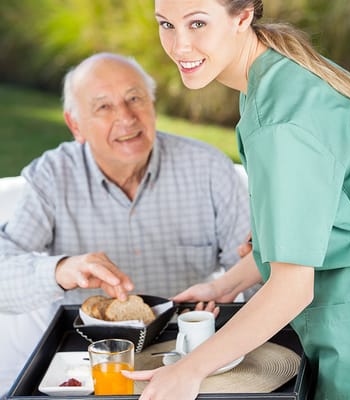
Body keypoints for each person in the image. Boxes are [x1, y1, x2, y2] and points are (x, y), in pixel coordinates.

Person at [124, 1, 350, 399]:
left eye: (197, 23)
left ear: (243, 17)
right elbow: (322, 222)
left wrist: (189, 370)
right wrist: (225, 285)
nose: (180, 45)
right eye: (167, 24)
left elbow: (292, 288)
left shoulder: (279, 121)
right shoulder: (278, 76)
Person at [0, 52, 251, 396]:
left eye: (135, 99)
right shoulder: (52, 177)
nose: (126, 118)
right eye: (103, 107)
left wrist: (228, 300)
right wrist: (61, 269)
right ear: (76, 125)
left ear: (152, 105)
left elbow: (255, 266)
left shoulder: (209, 168)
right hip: (88, 365)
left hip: (187, 356)